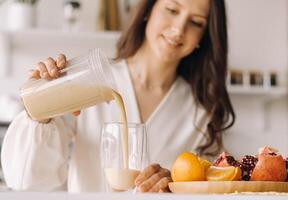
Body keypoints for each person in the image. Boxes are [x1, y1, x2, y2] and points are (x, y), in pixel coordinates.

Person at [1, 0, 235, 193]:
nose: (178, 29)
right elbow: (27, 181)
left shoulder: (200, 110)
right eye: (172, 10)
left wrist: (173, 186)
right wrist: (42, 110)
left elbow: (208, 191)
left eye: (195, 22)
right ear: (148, 11)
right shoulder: (91, 82)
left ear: (204, 37)